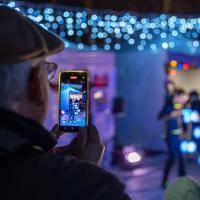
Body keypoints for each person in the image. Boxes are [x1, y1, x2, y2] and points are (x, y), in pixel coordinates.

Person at [0, 6, 131, 200]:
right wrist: (84, 176)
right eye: (47, 71)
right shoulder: (94, 188)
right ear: (36, 83)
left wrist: (39, 154)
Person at [158, 88, 188, 188]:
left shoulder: (181, 107)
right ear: (176, 97)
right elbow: (160, 116)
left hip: (178, 137)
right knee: (172, 158)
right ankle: (164, 181)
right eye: (181, 97)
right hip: (170, 136)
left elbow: (182, 121)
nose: (183, 99)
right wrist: (171, 114)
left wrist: (184, 131)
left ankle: (183, 181)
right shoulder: (169, 107)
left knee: (181, 158)